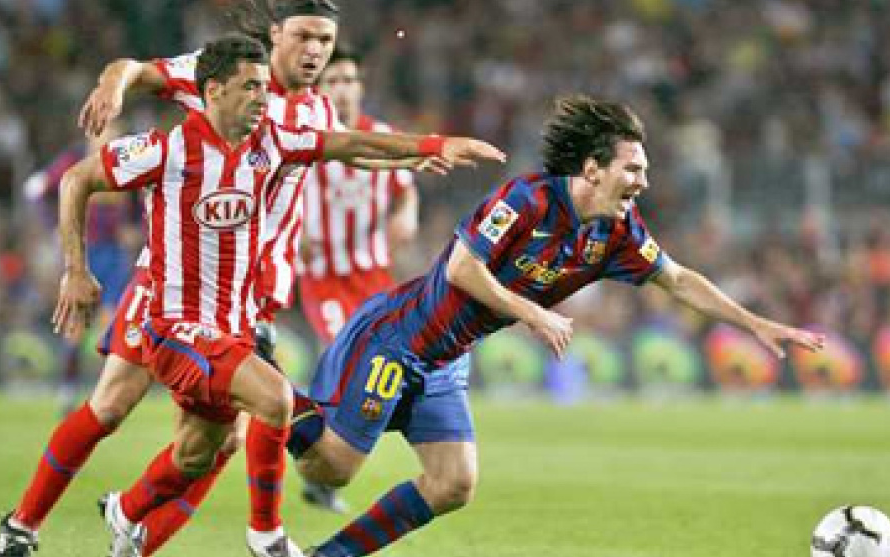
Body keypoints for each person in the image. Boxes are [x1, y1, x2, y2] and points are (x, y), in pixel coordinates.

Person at [285, 95, 826, 557]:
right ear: (592, 169)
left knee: (454, 483)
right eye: (632, 170)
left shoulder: (617, 233)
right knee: (330, 470)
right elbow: (461, 269)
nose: (643, 182)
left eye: (644, 170)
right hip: (398, 339)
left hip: (446, 360)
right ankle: (270, 394)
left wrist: (756, 323)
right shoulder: (527, 200)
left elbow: (679, 279)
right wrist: (534, 313)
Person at [0, 2, 422, 556]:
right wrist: (113, 85)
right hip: (174, 283)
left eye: (325, 40)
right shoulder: (220, 74)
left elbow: (351, 152)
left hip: (250, 296)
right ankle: (26, 523)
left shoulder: (315, 112)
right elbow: (136, 69)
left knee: (216, 443)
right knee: (113, 406)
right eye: (306, 37)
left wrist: (416, 158)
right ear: (277, 35)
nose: (315, 51)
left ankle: (133, 529)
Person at [295, 44, 421, 512]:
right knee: (348, 361)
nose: (343, 89)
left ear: (360, 87)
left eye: (349, 80)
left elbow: (406, 190)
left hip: (372, 274)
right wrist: (290, 236)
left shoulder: (380, 136)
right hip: (323, 278)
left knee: (382, 370)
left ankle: (321, 468)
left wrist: (406, 215)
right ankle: (315, 458)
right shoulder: (302, 137)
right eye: (333, 81)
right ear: (318, 90)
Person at [22, 124, 140, 416]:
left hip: (114, 256)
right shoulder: (73, 160)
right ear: (91, 137)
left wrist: (135, 229)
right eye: (105, 135)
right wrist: (55, 227)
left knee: (111, 324)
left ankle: (103, 397)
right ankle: (67, 390)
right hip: (83, 254)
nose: (109, 141)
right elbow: (35, 189)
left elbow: (140, 206)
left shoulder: (127, 162)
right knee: (75, 328)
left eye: (114, 136)